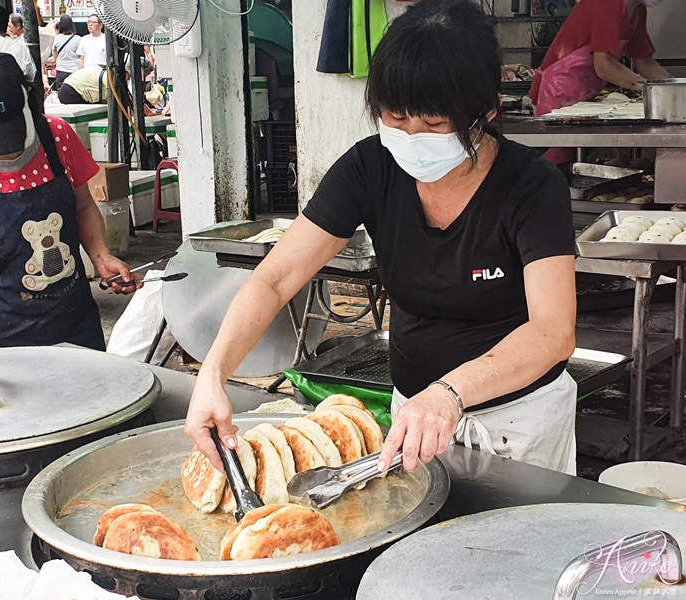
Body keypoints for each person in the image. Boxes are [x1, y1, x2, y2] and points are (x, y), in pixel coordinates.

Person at [185, 0, 578, 476]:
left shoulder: (531, 186)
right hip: (413, 416)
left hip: (519, 420)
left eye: (434, 125)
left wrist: (449, 392)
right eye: (395, 117)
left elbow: (552, 332)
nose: (411, 137)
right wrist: (213, 373)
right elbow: (275, 279)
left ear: (486, 113)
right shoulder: (368, 168)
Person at [0, 47, 140, 351]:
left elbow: (84, 205)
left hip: (75, 321)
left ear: (29, 95)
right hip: (1, 332)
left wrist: (101, 255)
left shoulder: (57, 135)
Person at [531, 0, 670, 117]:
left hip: (584, 93)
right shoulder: (608, 3)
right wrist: (650, 89)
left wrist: (676, 89)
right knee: (559, 147)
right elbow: (604, 66)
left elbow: (645, 62)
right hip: (555, 91)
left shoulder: (637, 11)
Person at [58, 60, 153, 105]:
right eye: (146, 74)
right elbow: (122, 98)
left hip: (77, 91)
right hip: (71, 91)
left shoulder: (117, 74)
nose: (145, 77)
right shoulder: (113, 76)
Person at [50, 14, 80, 90]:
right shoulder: (78, 39)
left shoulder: (56, 38)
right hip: (75, 70)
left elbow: (55, 55)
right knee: (75, 91)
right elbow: (81, 56)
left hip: (61, 69)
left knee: (60, 91)